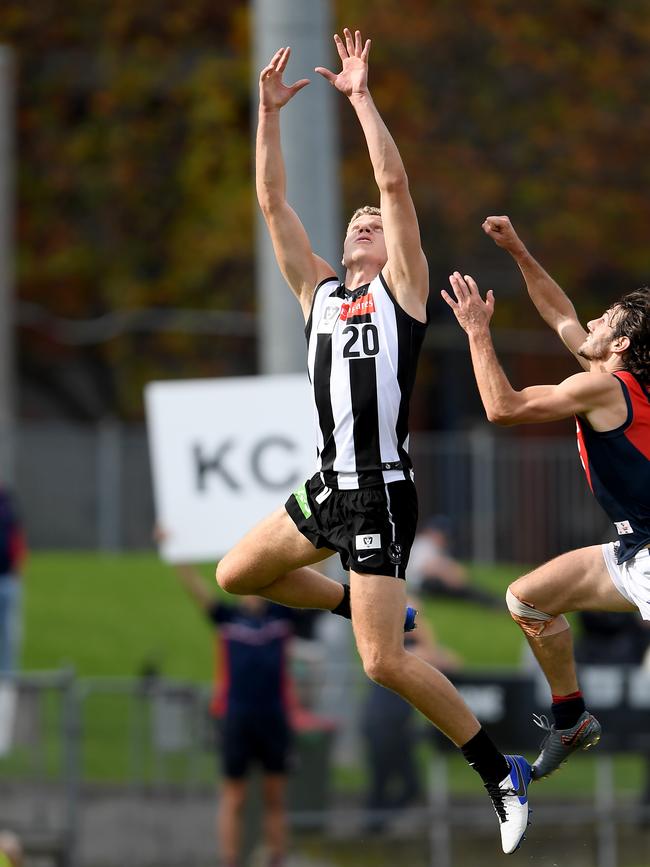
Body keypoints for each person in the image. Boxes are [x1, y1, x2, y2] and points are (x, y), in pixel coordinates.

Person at [216, 30, 532, 854]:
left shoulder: (405, 293)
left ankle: (503, 773)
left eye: (371, 222)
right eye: (352, 220)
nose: (362, 222)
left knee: (384, 663)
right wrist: (268, 117)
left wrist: (359, 97)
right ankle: (360, 594)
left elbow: (390, 180)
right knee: (238, 572)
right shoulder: (317, 293)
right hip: (328, 484)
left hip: (381, 491)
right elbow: (273, 206)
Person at [442, 214, 650, 781]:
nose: (592, 319)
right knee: (528, 600)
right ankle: (571, 716)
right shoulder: (607, 379)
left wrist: (476, 331)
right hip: (632, 552)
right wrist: (518, 252)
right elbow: (560, 312)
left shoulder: (602, 385)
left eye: (605, 319)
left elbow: (502, 408)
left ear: (621, 343)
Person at [171, 562, 300, 867]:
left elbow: (316, 579)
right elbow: (198, 591)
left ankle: (276, 857)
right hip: (238, 717)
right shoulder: (228, 619)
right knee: (234, 796)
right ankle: (229, 860)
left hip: (273, 716)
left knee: (275, 796)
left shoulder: (281, 618)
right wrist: (179, 557)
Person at [361, 603, 460, 832]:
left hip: (398, 727)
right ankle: (372, 832)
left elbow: (452, 663)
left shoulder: (409, 648)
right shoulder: (393, 649)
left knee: (410, 786)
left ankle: (377, 828)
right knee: (380, 784)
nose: (418, 620)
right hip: (381, 725)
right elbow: (431, 656)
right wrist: (425, 630)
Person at [409, 515, 501, 607]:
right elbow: (426, 569)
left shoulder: (437, 548)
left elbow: (454, 567)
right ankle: (493, 603)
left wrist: (454, 575)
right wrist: (446, 575)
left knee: (465, 589)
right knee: (461, 591)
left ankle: (493, 601)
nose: (445, 540)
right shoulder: (423, 543)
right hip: (421, 586)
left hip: (431, 583)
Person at [0, 486, 26, 675]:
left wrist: (18, 567)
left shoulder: (9, 505)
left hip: (9, 577)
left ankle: (9, 677)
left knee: (10, 634)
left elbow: (18, 537)